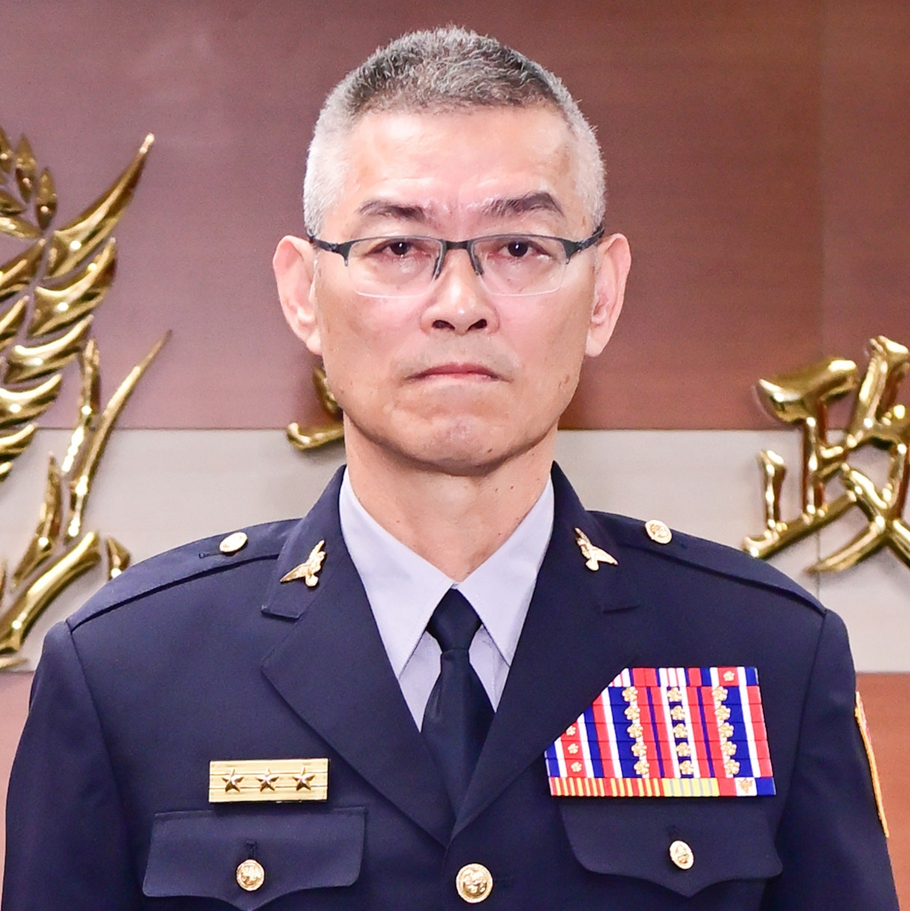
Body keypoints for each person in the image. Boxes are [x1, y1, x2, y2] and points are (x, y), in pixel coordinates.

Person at [2, 27, 898, 911]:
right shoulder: (128, 673)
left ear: (604, 293)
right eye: (398, 248)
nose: (460, 304)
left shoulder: (766, 656)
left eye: (519, 248)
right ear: (302, 292)